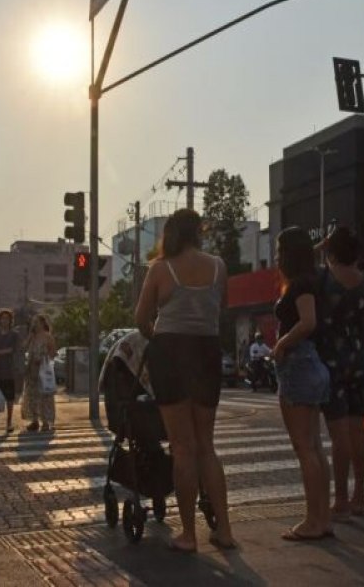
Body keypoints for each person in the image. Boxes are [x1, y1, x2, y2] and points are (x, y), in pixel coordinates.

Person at [136, 208, 236, 553]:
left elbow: (141, 318)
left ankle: (189, 534)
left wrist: (160, 337)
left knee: (182, 447)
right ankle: (224, 529)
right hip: (207, 352)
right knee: (206, 445)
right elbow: (222, 307)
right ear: (198, 232)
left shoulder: (161, 268)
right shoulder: (219, 266)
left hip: (171, 354)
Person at [315, 226, 364, 521]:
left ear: (330, 250)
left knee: (338, 434)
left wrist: (322, 246)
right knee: (358, 433)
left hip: (330, 365)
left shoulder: (324, 279)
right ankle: (359, 498)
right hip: (360, 365)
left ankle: (340, 499)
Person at [271, 226, 332, 540]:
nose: (276, 255)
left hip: (300, 363)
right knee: (315, 448)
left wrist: (282, 343)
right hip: (310, 365)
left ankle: (313, 521)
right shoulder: (311, 278)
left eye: (280, 249)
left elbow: (308, 322)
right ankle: (323, 518)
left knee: (305, 448)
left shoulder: (302, 284)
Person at [0, 308, 24, 434]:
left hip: (10, 370)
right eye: (2, 318)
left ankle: (9, 423)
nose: (4, 321)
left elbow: (11, 350)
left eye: (7, 319)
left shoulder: (14, 335)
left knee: (9, 398)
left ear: (10, 321)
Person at [21, 314, 57, 432]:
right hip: (31, 370)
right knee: (32, 395)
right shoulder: (33, 336)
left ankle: (46, 422)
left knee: (44, 396)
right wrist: (30, 336)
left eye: (36, 322)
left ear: (42, 323)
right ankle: (34, 420)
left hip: (43, 369)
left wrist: (43, 358)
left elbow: (53, 352)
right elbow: (23, 347)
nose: (34, 324)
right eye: (33, 322)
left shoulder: (48, 336)